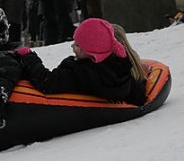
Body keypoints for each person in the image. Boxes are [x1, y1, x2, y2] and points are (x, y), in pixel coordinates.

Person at [17, 18, 146, 106]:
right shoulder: (119, 73)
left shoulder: (83, 73)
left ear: (93, 53)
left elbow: (47, 82)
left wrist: (29, 57)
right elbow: (139, 97)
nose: (72, 46)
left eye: (78, 45)